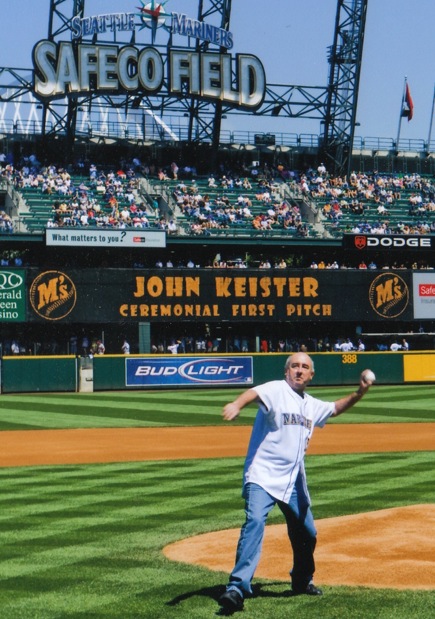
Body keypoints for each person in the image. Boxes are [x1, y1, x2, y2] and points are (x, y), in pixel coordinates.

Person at [218, 352, 373, 613]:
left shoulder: (311, 404)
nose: (299, 371)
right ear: (286, 371)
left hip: (292, 481)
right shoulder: (277, 390)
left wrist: (359, 392)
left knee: (307, 533)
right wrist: (237, 404)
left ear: (311, 374)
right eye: (294, 366)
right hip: (262, 476)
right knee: (254, 522)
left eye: (304, 367)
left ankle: (302, 581)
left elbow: (334, 408)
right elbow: (254, 393)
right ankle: (236, 588)